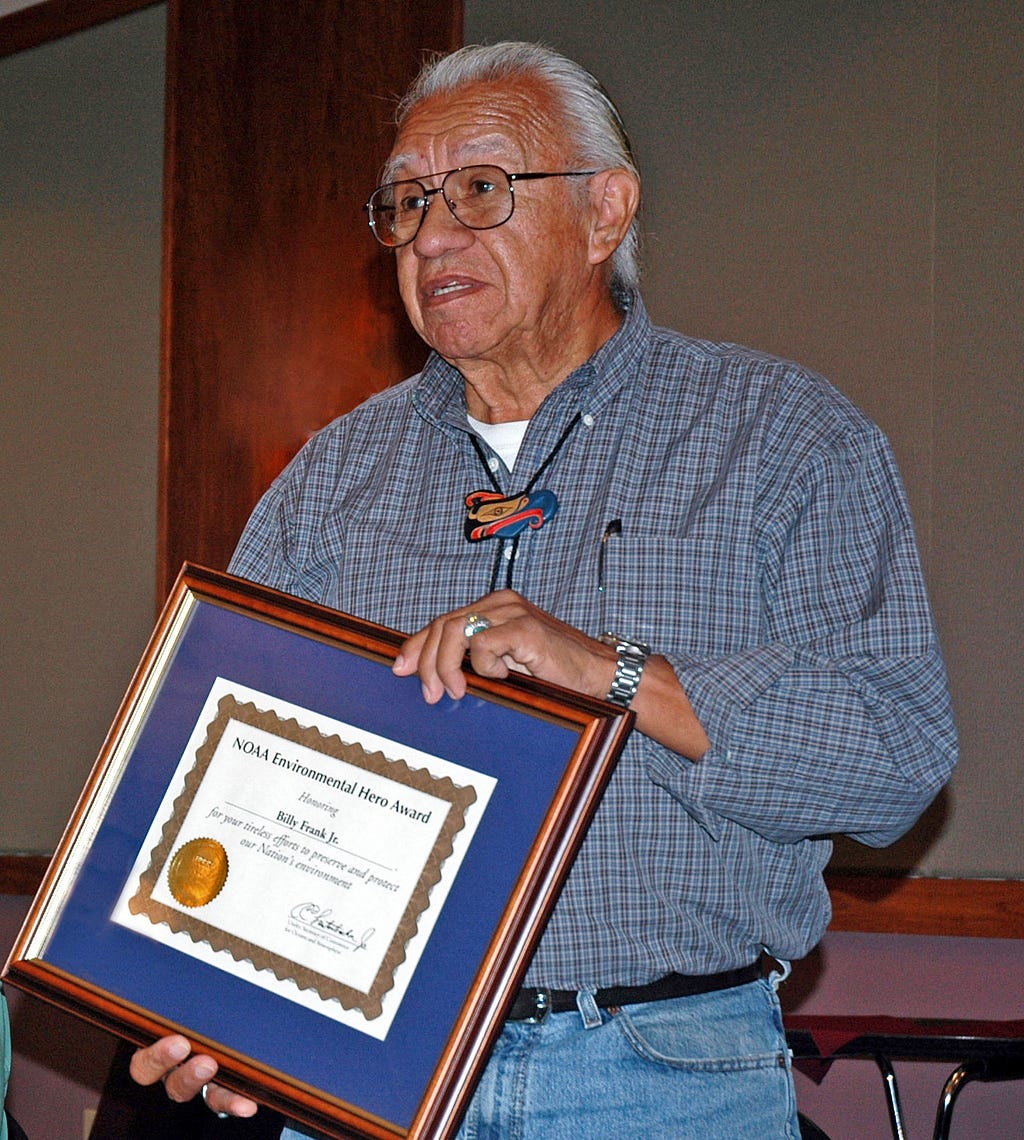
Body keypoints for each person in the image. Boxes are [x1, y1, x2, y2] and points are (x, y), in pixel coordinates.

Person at [130, 41, 957, 1138]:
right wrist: (209, 1005)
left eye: (479, 190)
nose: (430, 235)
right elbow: (228, 766)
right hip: (362, 1077)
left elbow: (891, 751)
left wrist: (611, 673)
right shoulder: (329, 479)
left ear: (604, 214)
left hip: (661, 1073)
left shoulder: (782, 439)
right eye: (406, 203)